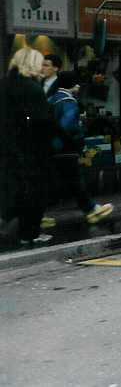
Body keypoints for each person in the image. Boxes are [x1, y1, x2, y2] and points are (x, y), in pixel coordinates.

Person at [0, 48, 55, 245]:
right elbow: (42, 123)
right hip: (29, 150)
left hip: (6, 149)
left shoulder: (4, 85)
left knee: (10, 190)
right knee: (33, 193)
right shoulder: (33, 89)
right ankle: (29, 233)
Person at [48, 72, 114, 224]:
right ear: (70, 85)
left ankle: (35, 216)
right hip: (67, 147)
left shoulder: (52, 99)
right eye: (75, 83)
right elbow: (67, 124)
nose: (78, 85)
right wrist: (76, 138)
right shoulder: (69, 101)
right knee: (76, 180)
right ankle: (91, 210)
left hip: (53, 147)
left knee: (59, 181)